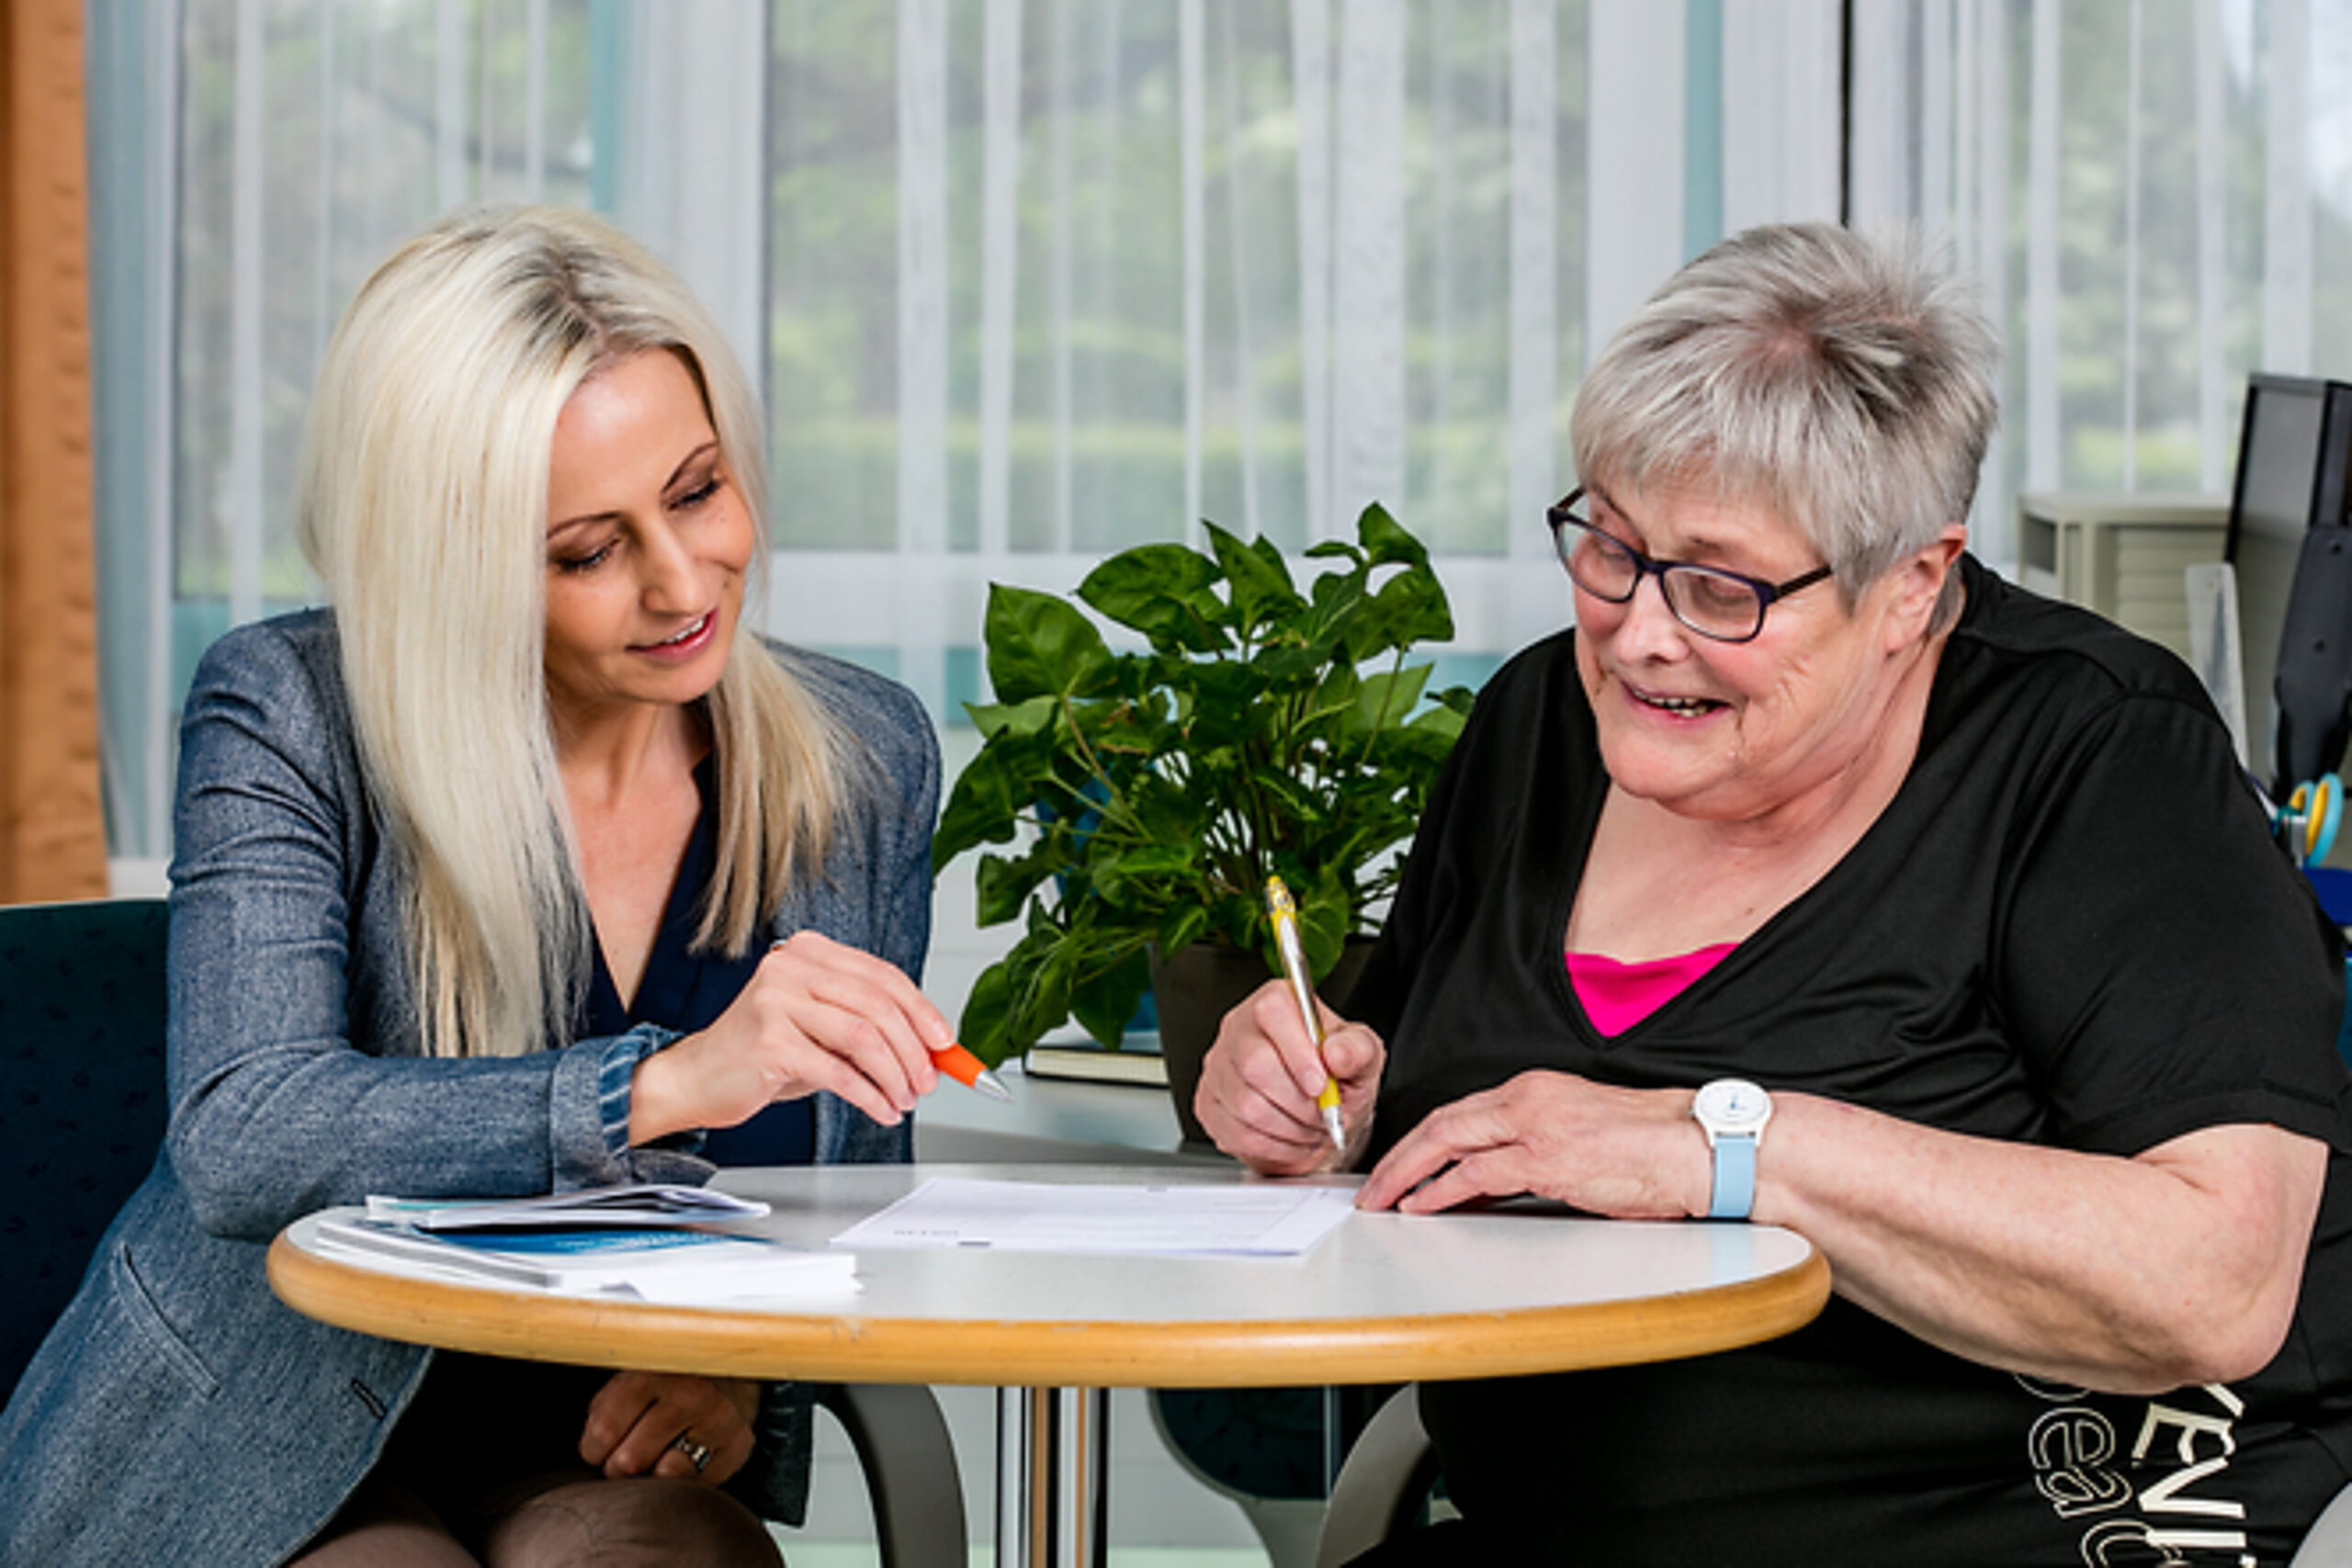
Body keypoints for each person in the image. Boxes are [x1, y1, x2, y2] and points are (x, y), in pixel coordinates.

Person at [1198, 222, 2352, 1564]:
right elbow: (1402, 1091)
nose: (1638, 630)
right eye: (1610, 546)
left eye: (1721, 587)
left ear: (1912, 585)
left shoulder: (2095, 754)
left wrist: (1725, 1147)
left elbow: (2210, 1286)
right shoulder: (1539, 727)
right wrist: (1307, 1102)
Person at [0, 206, 952, 1567]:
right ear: (452, 564)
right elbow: (246, 1132)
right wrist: (663, 1084)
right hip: (261, 1437)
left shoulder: (863, 756)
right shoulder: (290, 710)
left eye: (696, 490)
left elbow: (849, 1186)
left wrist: (747, 1379)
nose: (684, 582)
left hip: (582, 1448)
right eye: (587, 550)